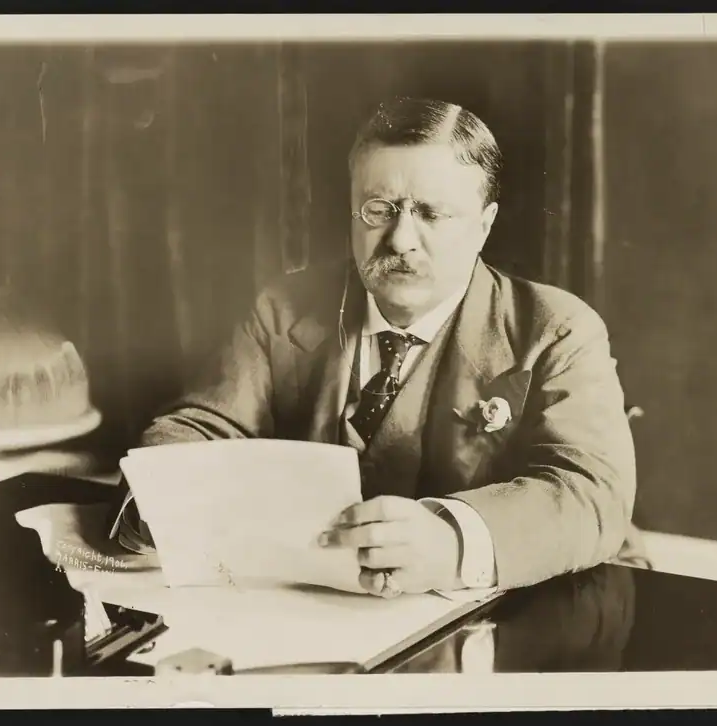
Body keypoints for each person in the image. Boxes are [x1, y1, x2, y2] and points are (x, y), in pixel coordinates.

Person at [108, 96, 649, 599]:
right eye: (379, 209)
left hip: (533, 605)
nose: (401, 240)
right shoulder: (285, 307)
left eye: (432, 214)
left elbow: (590, 491)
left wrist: (452, 543)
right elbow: (204, 425)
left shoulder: (557, 329)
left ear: (484, 226)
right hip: (325, 607)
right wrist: (160, 496)